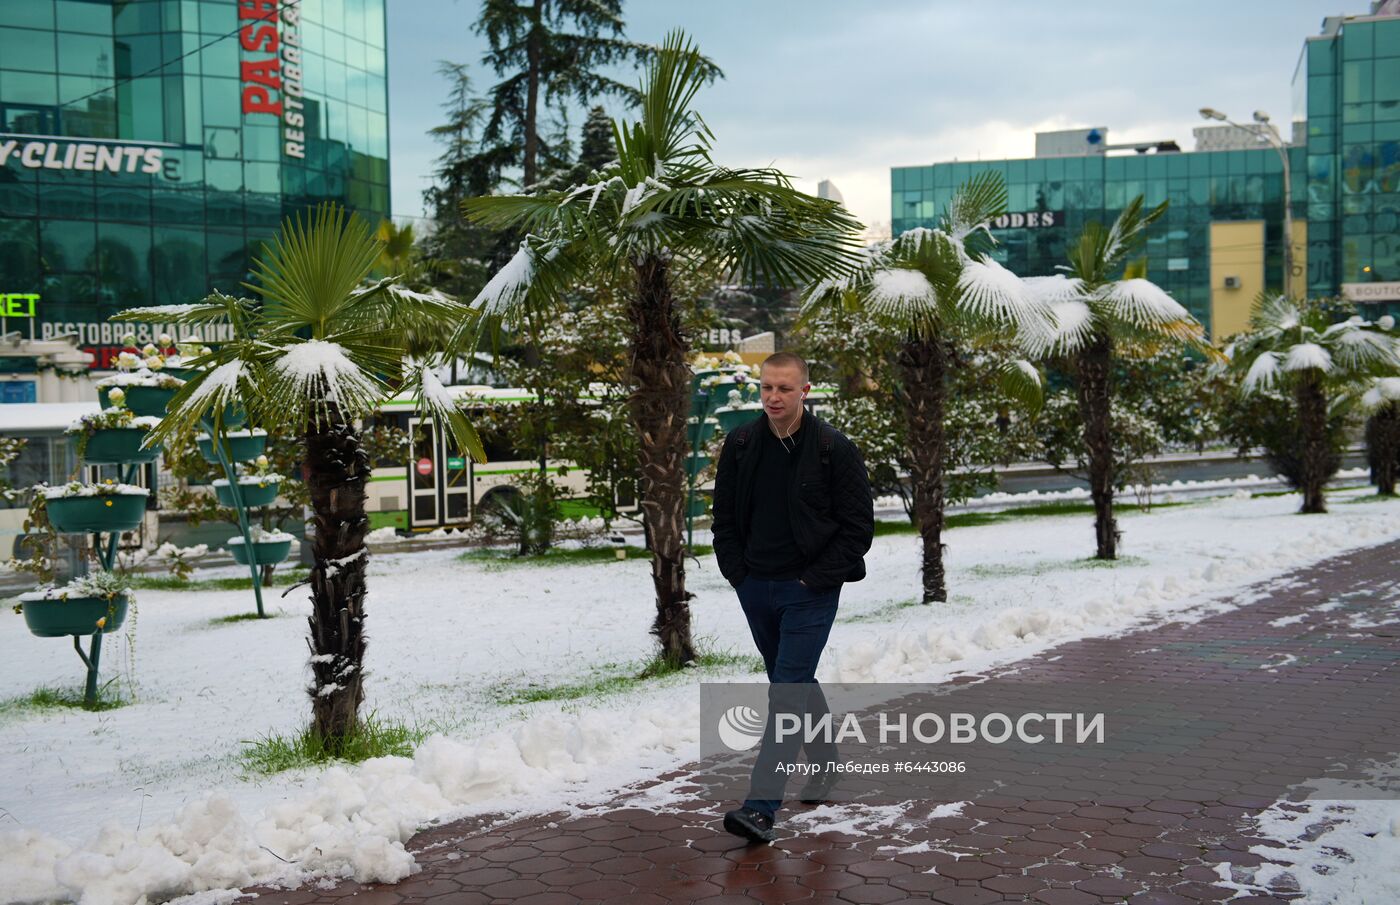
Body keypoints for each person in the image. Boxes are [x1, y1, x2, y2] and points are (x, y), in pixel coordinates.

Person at [710, 351, 875, 843]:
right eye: (766, 388)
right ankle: (825, 765)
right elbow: (723, 519)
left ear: (805, 390)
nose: (773, 397)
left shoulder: (832, 448)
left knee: (784, 692)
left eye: (784, 389)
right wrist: (737, 573)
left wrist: (814, 579)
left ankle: (761, 808)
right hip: (755, 586)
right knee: (793, 682)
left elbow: (858, 529)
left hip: (809, 590)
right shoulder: (741, 444)